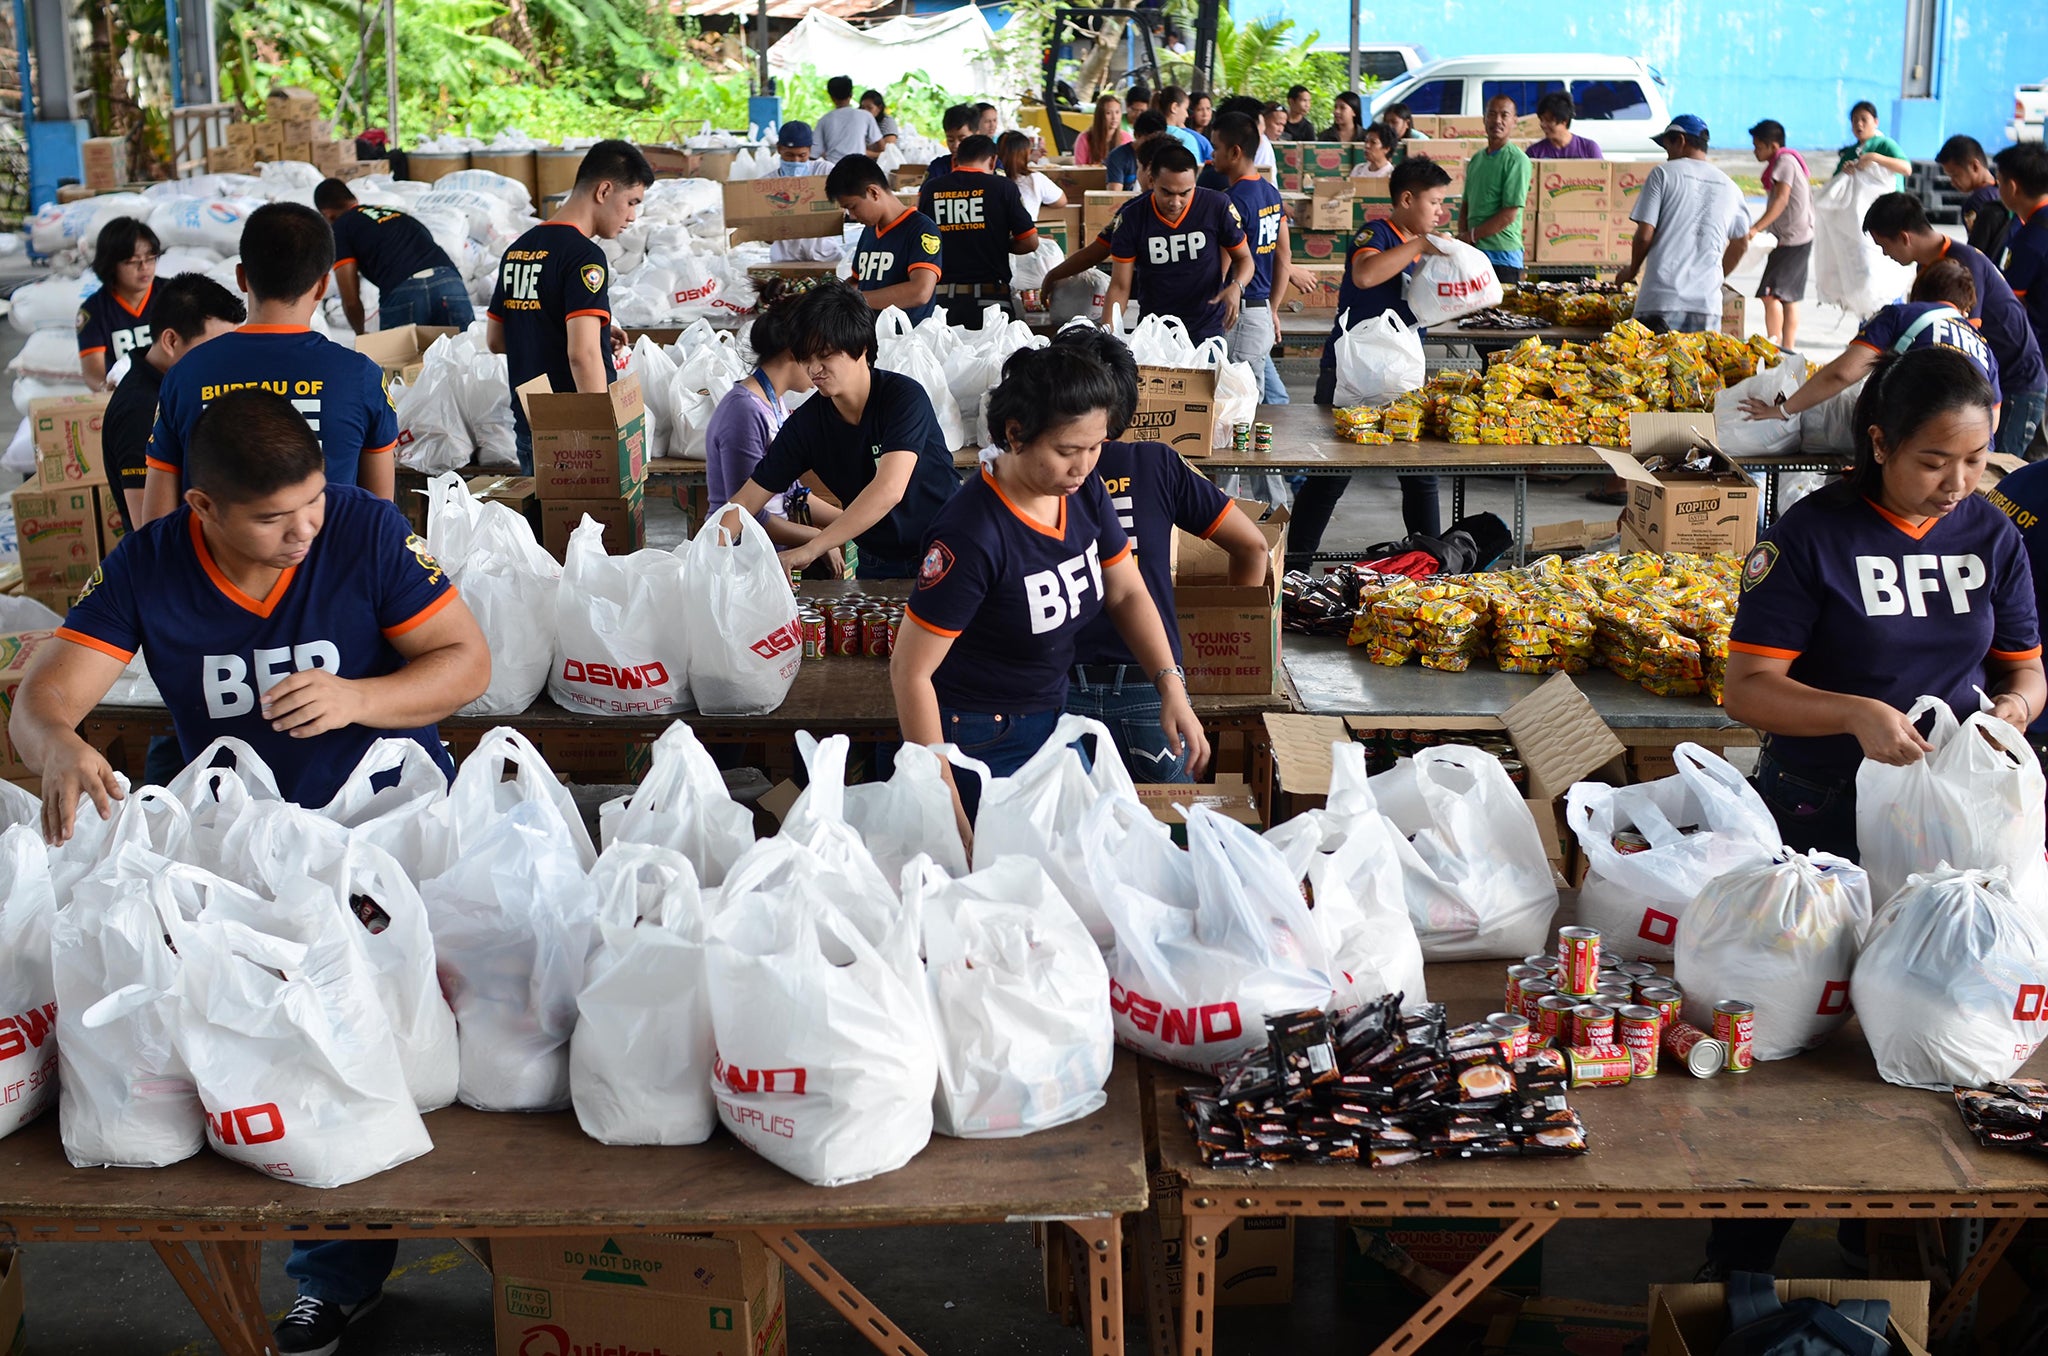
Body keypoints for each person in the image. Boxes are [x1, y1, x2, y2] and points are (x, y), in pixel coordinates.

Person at [9, 391, 491, 1356]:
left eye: (312, 501)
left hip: (381, 834)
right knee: (303, 1062)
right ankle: (332, 1275)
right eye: (274, 517)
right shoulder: (151, 565)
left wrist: (360, 696)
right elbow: (44, 695)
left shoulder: (362, 529)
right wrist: (55, 742)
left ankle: (513, 1242)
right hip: (252, 856)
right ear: (204, 509)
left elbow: (466, 663)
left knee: (438, 1054)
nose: (302, 529)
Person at [1709, 347, 2044, 1280]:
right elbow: (1748, 689)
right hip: (1821, 819)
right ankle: (1739, 1251)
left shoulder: (1991, 536)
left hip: (1949, 831)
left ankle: (1884, 1239)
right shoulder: (1813, 537)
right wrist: (1853, 715)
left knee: (1930, 1022)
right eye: (1937, 460)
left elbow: (2024, 665)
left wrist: (2014, 711)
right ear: (1880, 442)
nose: (1959, 482)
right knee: (1793, 1041)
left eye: (1976, 461)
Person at [891, 343, 1210, 830]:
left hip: (1053, 716)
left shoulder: (1083, 492)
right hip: (980, 736)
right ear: (1015, 435)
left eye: (1096, 446)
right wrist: (945, 798)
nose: (1083, 465)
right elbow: (910, 672)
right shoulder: (972, 534)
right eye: (1067, 451)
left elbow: (1126, 591)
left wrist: (1171, 685)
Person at [1052, 325, 1269, 781]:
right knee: (1171, 837)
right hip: (1152, 686)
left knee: (1067, 839)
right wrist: (1223, 638)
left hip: (1054, 688)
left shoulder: (1032, 477)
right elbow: (1253, 547)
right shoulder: (1154, 463)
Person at [140, 203, 399, 526]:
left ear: (241, 277)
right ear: (321, 285)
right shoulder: (361, 377)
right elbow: (380, 519)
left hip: (216, 575)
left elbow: (155, 524)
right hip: (334, 574)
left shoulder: (185, 374)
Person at [729, 282, 960, 580]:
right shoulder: (807, 425)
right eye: (805, 358)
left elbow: (889, 489)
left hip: (947, 550)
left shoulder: (903, 398)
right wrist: (706, 552)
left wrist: (813, 547)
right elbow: (747, 500)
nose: (815, 369)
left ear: (861, 346)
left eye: (825, 355)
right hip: (878, 561)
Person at [1293, 157, 1454, 568]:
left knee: (1420, 478)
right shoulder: (1378, 233)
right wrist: (1417, 246)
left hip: (1402, 377)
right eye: (1434, 202)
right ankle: (1292, 568)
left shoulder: (1426, 248)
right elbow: (1364, 275)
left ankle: (1429, 572)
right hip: (1350, 374)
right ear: (1406, 199)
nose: (1441, 212)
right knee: (1330, 475)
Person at [486, 140, 651, 475]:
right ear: (604, 190)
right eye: (631, 202)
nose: (632, 216)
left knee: (542, 527)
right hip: (575, 436)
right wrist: (602, 437)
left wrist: (595, 334)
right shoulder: (584, 256)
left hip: (530, 422)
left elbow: (497, 340)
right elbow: (582, 355)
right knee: (584, 529)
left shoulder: (518, 249)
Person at [1864, 191, 2048, 458]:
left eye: (1884, 246)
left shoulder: (1962, 263)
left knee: (1995, 478)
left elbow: (1960, 346)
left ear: (1904, 237)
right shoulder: (1928, 268)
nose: (1885, 254)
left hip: (2015, 384)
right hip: (1986, 385)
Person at [1739, 259, 1998, 428]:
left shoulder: (1901, 315)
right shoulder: (1984, 346)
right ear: (1965, 306)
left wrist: (1782, 410)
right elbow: (1992, 419)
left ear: (1918, 294)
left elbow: (1843, 373)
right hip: (1972, 452)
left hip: (1921, 437)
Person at [102, 273, 245, 537]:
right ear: (170, 341)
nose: (225, 362)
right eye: (214, 349)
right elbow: (148, 529)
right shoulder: (140, 408)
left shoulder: (178, 386)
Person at [705, 290, 841, 565]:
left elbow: (791, 491)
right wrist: (817, 540)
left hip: (767, 553)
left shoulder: (775, 403)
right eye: (817, 354)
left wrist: (853, 523)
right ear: (795, 352)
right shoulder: (743, 411)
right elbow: (748, 513)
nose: (819, 367)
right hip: (739, 559)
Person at [1103, 141, 1253, 343]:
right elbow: (1120, 287)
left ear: (1195, 182)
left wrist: (1237, 286)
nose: (1175, 202)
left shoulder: (1217, 206)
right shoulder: (1132, 216)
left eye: (1185, 193)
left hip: (1207, 330)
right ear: (1151, 180)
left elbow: (1244, 259)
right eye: (1167, 192)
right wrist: (1106, 336)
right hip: (1154, 332)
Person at [1617, 115, 1749, 334]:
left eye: (1667, 146)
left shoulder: (1663, 174)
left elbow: (1644, 235)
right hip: (1707, 305)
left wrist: (1631, 271)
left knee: (1650, 366)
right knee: (1697, 367)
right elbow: (1741, 243)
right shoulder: (1731, 186)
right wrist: (1714, 278)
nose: (1667, 155)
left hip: (1661, 300)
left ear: (1680, 140)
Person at [1213, 113, 1308, 383]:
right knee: (1258, 398)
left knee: (1239, 406)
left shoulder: (1231, 202)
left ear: (1234, 152)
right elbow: (1284, 255)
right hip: (1261, 311)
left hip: (1237, 314)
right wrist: (1273, 309)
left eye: (1216, 147)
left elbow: (1221, 268)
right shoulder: (1270, 192)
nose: (1212, 154)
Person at [314, 179, 473, 334]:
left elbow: (350, 300)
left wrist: (361, 334)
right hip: (450, 282)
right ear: (354, 198)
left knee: (401, 359)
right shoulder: (396, 214)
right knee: (461, 355)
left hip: (405, 290)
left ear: (327, 215)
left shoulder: (341, 227)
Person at [918, 134, 1039, 327]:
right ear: (992, 161)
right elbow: (1030, 242)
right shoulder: (1003, 188)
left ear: (956, 159)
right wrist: (999, 243)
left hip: (941, 304)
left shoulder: (931, 190)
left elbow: (922, 241)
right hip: (991, 301)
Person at [828, 154, 941, 324]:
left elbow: (920, 292)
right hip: (870, 337)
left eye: (852, 207)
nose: (851, 215)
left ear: (873, 192)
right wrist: (827, 298)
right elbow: (857, 282)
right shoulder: (869, 232)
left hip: (906, 342)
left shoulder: (921, 229)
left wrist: (852, 301)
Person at [1746, 119, 1814, 353]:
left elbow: (1781, 200)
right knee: (1789, 298)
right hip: (1798, 236)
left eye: (1758, 146)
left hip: (1791, 238)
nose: (1754, 151)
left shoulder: (1784, 162)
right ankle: (1787, 348)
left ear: (1773, 146)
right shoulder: (1786, 160)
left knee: (1770, 295)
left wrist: (1756, 228)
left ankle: (1774, 346)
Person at [76, 217, 160, 389]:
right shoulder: (94, 310)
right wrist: (109, 390)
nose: (144, 267)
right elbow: (93, 371)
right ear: (111, 264)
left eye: (150, 258)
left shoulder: (173, 295)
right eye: (133, 261)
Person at [1459, 95, 1534, 283]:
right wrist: (1463, 242)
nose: (1497, 120)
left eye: (1504, 115)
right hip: (1475, 254)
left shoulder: (1517, 160)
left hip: (1503, 257)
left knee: (1503, 312)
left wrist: (1472, 235)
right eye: (1492, 114)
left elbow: (1509, 214)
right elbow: (1466, 205)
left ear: (1514, 121)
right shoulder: (1476, 160)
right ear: (1484, 119)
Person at [765, 123, 841, 266]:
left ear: (810, 150)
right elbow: (767, 238)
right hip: (785, 259)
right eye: (789, 155)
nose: (796, 161)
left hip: (825, 256)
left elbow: (843, 208)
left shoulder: (825, 172)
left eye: (802, 155)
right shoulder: (766, 184)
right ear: (779, 148)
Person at [1934, 136, 2009, 258]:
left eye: (1955, 175)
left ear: (1975, 166)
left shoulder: (1975, 202)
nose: (1953, 182)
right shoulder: (2002, 193)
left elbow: (1976, 250)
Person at [1836, 100, 1910, 188]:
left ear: (1876, 122)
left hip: (1891, 199)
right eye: (1855, 120)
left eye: (1864, 119)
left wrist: (1875, 158)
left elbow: (1906, 169)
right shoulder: (1851, 152)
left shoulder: (1885, 144)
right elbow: (1835, 179)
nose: (1859, 124)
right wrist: (1845, 171)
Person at [815, 75, 884, 163]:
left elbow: (814, 153)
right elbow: (881, 147)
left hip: (833, 169)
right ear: (851, 94)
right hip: (859, 168)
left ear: (831, 97)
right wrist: (863, 152)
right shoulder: (865, 116)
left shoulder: (824, 120)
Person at [999, 130, 1068, 214]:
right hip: (1026, 226)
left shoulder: (988, 180)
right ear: (1026, 154)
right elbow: (1061, 201)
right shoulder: (1035, 178)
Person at [1105, 110, 1168, 191]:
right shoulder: (1118, 156)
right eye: (1148, 141)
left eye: (1158, 141)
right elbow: (1115, 194)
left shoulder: (1165, 156)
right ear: (1136, 134)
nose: (1153, 146)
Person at [1527, 92, 1601, 160]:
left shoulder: (1589, 148)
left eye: (1548, 120)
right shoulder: (1534, 152)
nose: (1542, 125)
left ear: (1564, 121)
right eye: (1541, 120)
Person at [1156, 87, 1213, 164]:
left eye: (1208, 109)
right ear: (1174, 107)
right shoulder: (1189, 138)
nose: (1187, 115)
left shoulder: (1147, 134)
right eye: (1185, 109)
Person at [1074, 92, 1129, 166]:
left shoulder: (1126, 138)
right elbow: (1079, 169)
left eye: (1117, 112)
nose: (1114, 117)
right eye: (1108, 113)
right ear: (1100, 115)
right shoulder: (1085, 138)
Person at [927, 104, 975, 179]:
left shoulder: (991, 164)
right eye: (950, 140)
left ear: (976, 135)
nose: (956, 145)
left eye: (962, 139)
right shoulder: (938, 167)